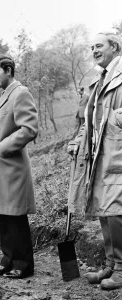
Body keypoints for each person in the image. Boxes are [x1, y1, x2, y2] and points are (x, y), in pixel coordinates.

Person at [68, 33, 122, 290]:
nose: (94, 50)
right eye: (92, 47)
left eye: (99, 45)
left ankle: (121, 269)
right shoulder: (99, 79)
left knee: (116, 211)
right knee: (103, 209)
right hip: (97, 151)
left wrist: (114, 120)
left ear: (114, 47)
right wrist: (79, 140)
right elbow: (89, 119)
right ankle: (111, 264)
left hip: (117, 151)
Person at [0, 55, 38, 279]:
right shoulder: (5, 94)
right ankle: (8, 259)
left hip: (12, 167)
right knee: (5, 215)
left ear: (9, 70)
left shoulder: (20, 93)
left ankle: (23, 264)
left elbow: (29, 129)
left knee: (16, 217)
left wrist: (3, 148)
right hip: (0, 168)